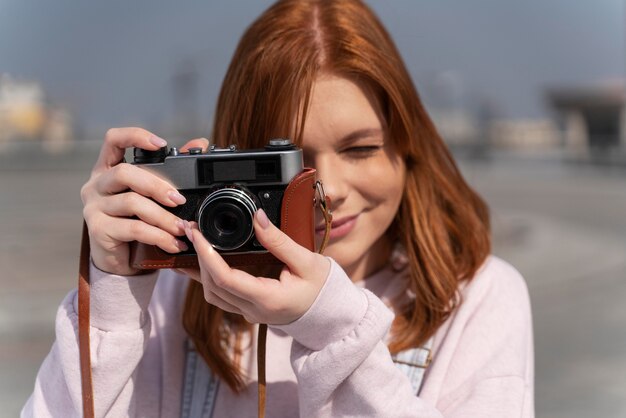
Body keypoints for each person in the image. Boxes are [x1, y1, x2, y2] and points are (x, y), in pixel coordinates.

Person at [22, 0, 534, 417]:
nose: (328, 188)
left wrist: (330, 326)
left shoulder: (475, 298)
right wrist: (111, 296)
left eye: (360, 149)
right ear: (232, 161)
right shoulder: (171, 295)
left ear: (408, 148)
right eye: (294, 165)